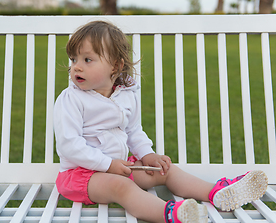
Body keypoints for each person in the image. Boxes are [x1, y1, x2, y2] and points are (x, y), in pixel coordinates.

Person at [53, 20, 268, 223]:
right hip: (81, 176)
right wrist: (108, 165)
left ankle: (216, 193)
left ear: (115, 67)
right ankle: (170, 214)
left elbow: (133, 130)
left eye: (87, 60)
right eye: (74, 59)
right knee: (121, 186)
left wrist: (147, 155)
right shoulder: (71, 99)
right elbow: (69, 145)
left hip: (120, 166)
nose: (76, 67)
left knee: (164, 170)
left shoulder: (125, 94)